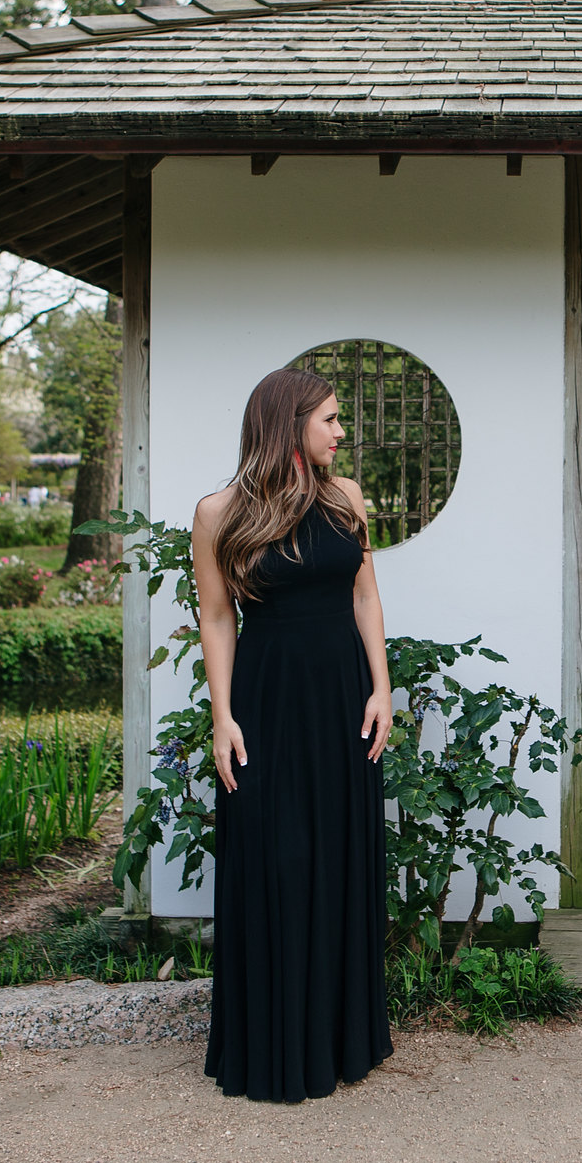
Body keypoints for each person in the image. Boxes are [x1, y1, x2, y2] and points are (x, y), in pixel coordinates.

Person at [193, 366, 396, 1102]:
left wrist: (381, 686)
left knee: (339, 855)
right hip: (268, 701)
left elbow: (366, 594)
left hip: (344, 696)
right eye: (332, 419)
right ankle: (275, 1043)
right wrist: (222, 715)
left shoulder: (345, 498)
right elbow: (218, 618)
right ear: (290, 423)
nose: (342, 432)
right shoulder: (219, 511)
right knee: (280, 857)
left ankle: (343, 1039)